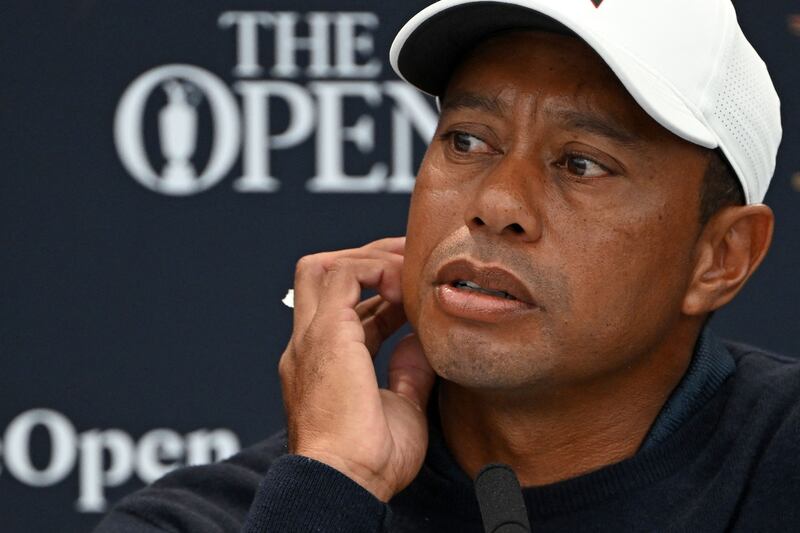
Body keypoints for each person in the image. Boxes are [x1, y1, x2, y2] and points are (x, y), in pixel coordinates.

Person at [96, 0, 798, 531]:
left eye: (581, 162)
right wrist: (333, 483)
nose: (496, 202)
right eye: (467, 140)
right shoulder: (216, 517)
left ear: (720, 257)